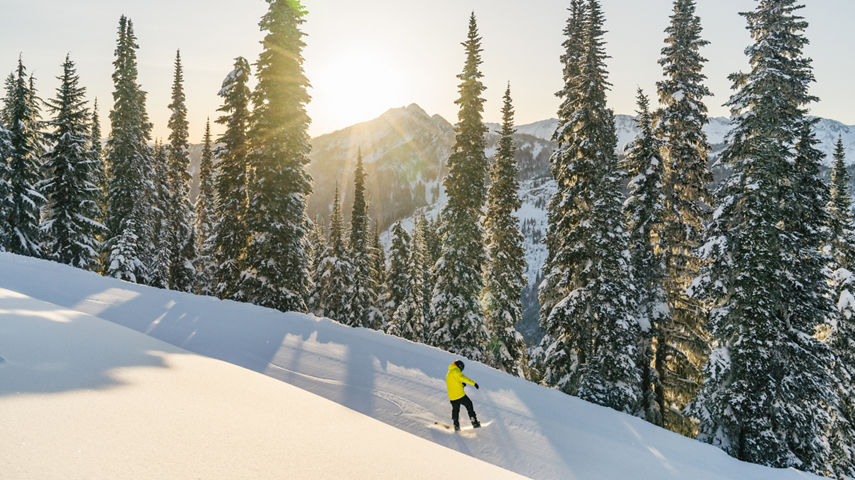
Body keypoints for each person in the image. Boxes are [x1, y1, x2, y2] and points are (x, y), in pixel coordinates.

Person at [445, 360, 480, 431]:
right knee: (469, 405)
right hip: (460, 395)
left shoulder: (449, 373)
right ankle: (474, 422)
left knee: (455, 410)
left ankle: (456, 425)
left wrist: (462, 385)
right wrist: (474, 383)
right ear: (459, 366)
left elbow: (453, 384)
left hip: (452, 397)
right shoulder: (456, 371)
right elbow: (464, 378)